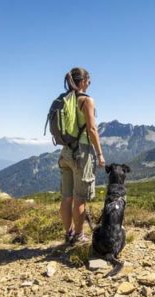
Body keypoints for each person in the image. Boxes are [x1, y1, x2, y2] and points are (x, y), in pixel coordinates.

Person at [58, 67, 105, 244]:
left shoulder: (65, 99)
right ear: (83, 81)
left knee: (66, 197)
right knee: (80, 198)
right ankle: (78, 237)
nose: (90, 83)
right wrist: (100, 154)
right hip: (82, 152)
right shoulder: (86, 100)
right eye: (89, 80)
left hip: (65, 152)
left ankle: (68, 233)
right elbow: (92, 129)